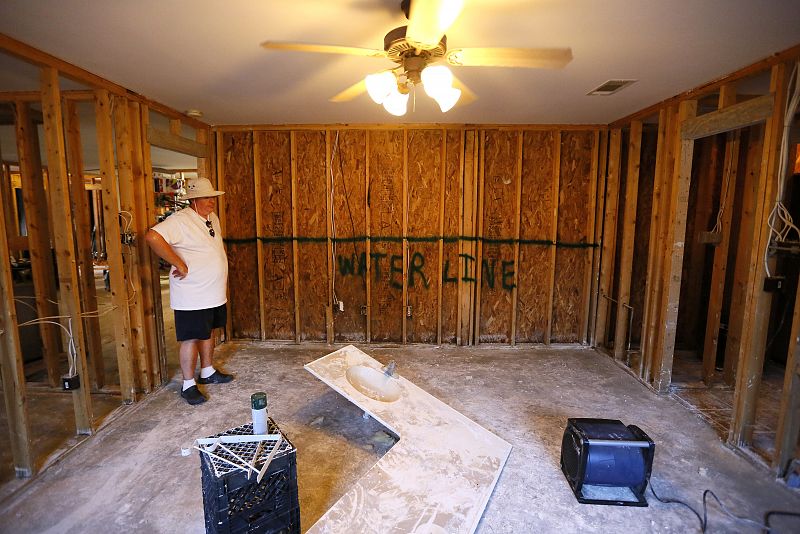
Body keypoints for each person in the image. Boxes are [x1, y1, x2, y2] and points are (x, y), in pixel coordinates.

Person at [145, 178, 233, 405]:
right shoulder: (180, 220)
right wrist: (179, 263)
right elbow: (152, 237)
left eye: (212, 196)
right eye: (206, 197)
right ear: (193, 200)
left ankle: (207, 371)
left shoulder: (211, 218)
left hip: (213, 291)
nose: (211, 201)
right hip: (192, 294)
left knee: (209, 331)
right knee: (191, 337)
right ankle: (187, 384)